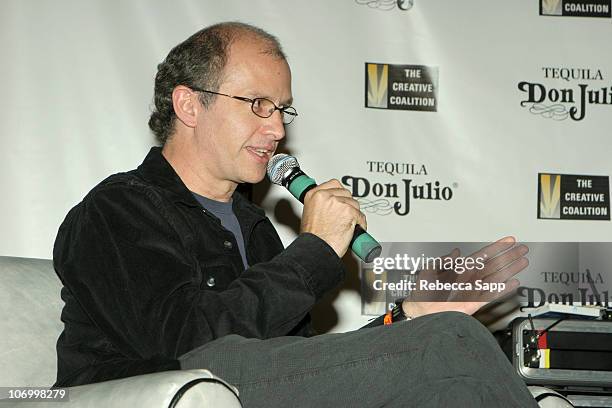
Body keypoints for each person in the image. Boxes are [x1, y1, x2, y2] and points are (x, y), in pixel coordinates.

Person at [52, 22, 538, 407]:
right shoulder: (119, 208)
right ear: (189, 104)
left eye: (283, 110)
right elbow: (184, 342)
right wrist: (318, 251)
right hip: (169, 387)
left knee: (451, 382)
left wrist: (409, 317)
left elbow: (299, 365)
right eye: (258, 105)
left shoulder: (254, 228)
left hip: (249, 385)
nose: (278, 128)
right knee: (449, 340)